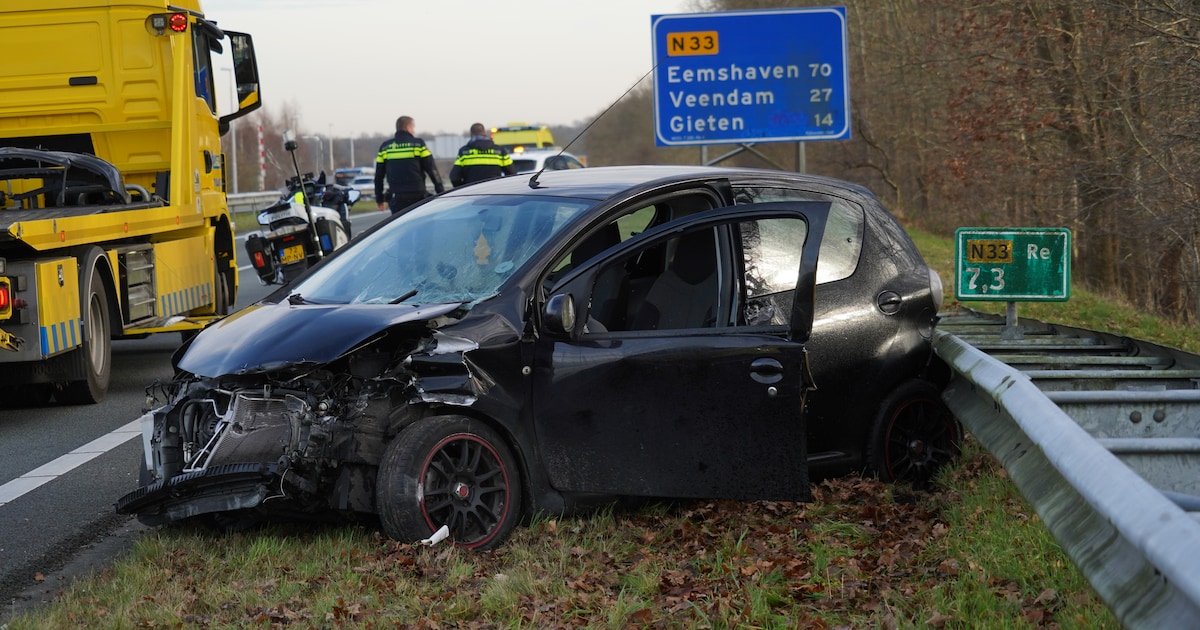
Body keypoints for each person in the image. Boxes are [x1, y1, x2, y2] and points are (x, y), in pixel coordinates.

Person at [374, 116, 444, 214]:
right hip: (417, 195)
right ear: (407, 128)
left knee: (400, 226)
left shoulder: (385, 147)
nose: (414, 131)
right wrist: (441, 192)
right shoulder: (418, 145)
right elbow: (432, 169)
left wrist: (379, 199)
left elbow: (378, 176)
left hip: (396, 197)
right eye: (413, 128)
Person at [449, 123, 517, 188]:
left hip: (472, 192)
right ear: (484, 133)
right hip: (495, 192)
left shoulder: (464, 152)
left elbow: (454, 177)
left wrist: (463, 188)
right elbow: (512, 173)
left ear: (471, 134)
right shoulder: (499, 151)